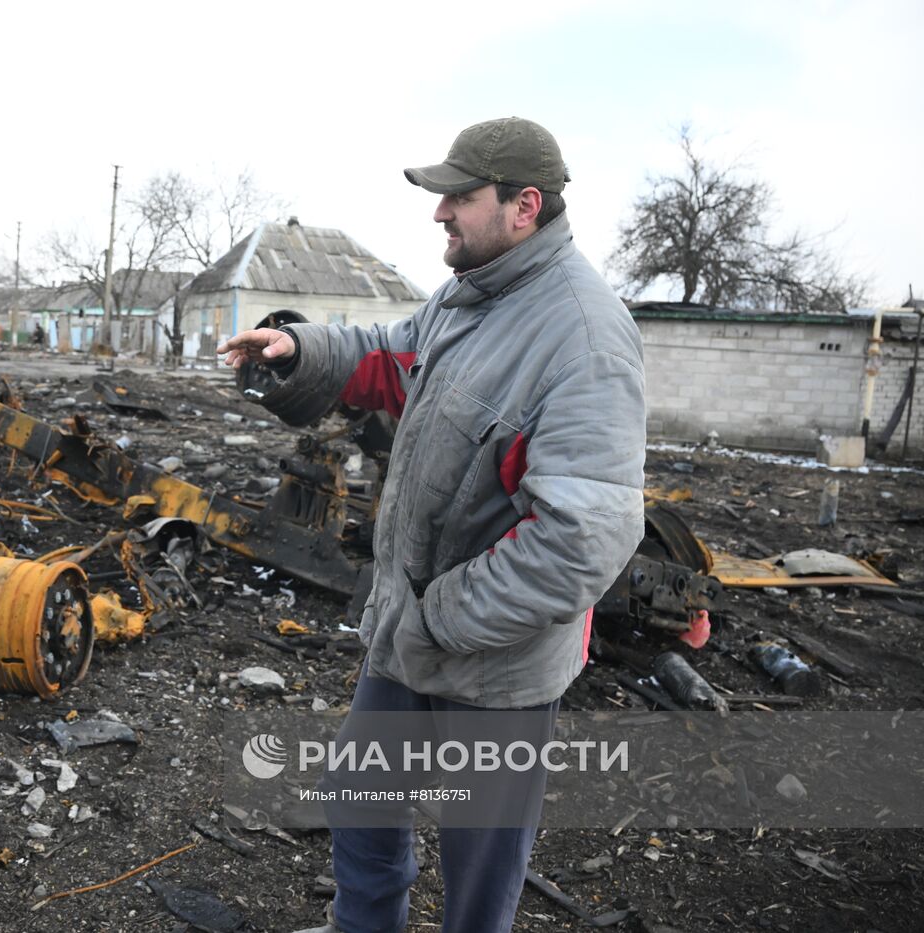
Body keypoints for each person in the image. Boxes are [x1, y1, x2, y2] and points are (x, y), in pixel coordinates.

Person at [218, 117, 646, 933]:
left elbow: (581, 538)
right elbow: (394, 353)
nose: (439, 213)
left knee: (477, 862)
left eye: (459, 197)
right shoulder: (468, 293)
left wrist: (442, 616)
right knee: (361, 795)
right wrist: (299, 351)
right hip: (416, 636)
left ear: (525, 206)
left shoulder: (584, 339)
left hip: (494, 660)